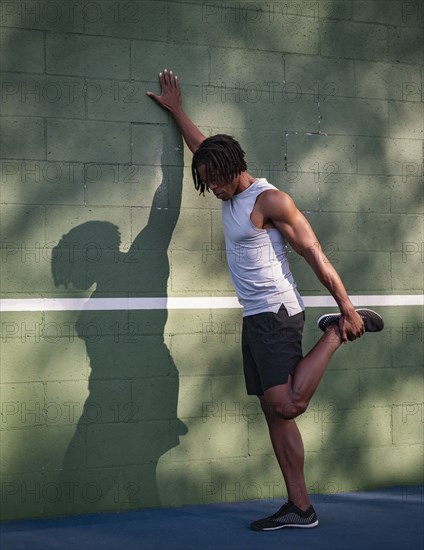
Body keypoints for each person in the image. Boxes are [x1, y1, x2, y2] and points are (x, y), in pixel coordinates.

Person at [147, 69, 384, 531]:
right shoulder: (224, 185)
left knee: (289, 405)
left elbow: (313, 252)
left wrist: (347, 307)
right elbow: (203, 148)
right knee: (274, 415)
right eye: (207, 182)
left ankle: (334, 332)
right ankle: (300, 507)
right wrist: (177, 110)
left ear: (234, 169)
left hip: (278, 312)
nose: (212, 189)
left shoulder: (269, 200)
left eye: (216, 181)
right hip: (254, 318)